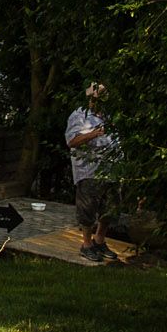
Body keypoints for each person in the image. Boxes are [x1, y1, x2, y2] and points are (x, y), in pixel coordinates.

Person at [66, 82, 121, 264]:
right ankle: (87, 244)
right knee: (87, 210)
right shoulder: (80, 116)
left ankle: (100, 241)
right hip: (89, 170)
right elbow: (72, 141)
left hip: (112, 170)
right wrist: (94, 134)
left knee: (111, 209)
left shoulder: (110, 115)